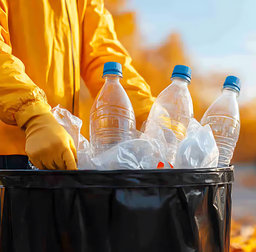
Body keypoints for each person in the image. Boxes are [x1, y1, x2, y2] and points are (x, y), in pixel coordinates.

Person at [0, 0, 154, 170]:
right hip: (8, 156)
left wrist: (153, 119)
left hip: (63, 153)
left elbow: (104, 58)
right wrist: (33, 116)